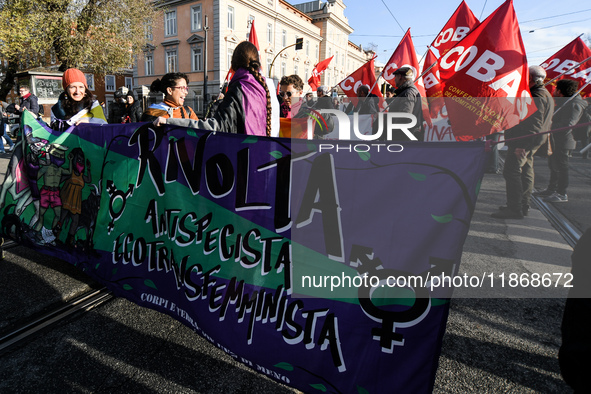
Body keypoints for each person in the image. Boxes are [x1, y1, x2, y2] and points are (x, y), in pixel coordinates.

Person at [153, 41, 272, 137]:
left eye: (186, 88)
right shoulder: (264, 87)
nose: (185, 91)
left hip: (241, 158)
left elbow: (216, 127)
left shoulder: (239, 88)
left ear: (232, 65)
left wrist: (170, 122)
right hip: (261, 158)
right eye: (182, 88)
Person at [491, 66, 555, 219]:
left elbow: (533, 123)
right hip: (531, 140)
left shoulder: (536, 96)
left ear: (531, 78)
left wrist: (522, 145)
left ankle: (514, 208)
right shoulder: (543, 93)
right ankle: (522, 205)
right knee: (526, 170)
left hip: (524, 140)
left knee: (512, 171)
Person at [534, 79, 587, 203]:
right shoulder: (567, 102)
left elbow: (568, 124)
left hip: (565, 140)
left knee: (562, 167)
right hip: (557, 139)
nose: (554, 91)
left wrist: (548, 125)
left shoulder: (574, 104)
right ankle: (552, 189)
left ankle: (561, 193)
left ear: (560, 91)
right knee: (554, 166)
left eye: (556, 89)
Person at [387, 67, 424, 140]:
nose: (394, 79)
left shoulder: (408, 93)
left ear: (400, 77)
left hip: (403, 137)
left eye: (396, 76)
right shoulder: (406, 92)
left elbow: (404, 118)